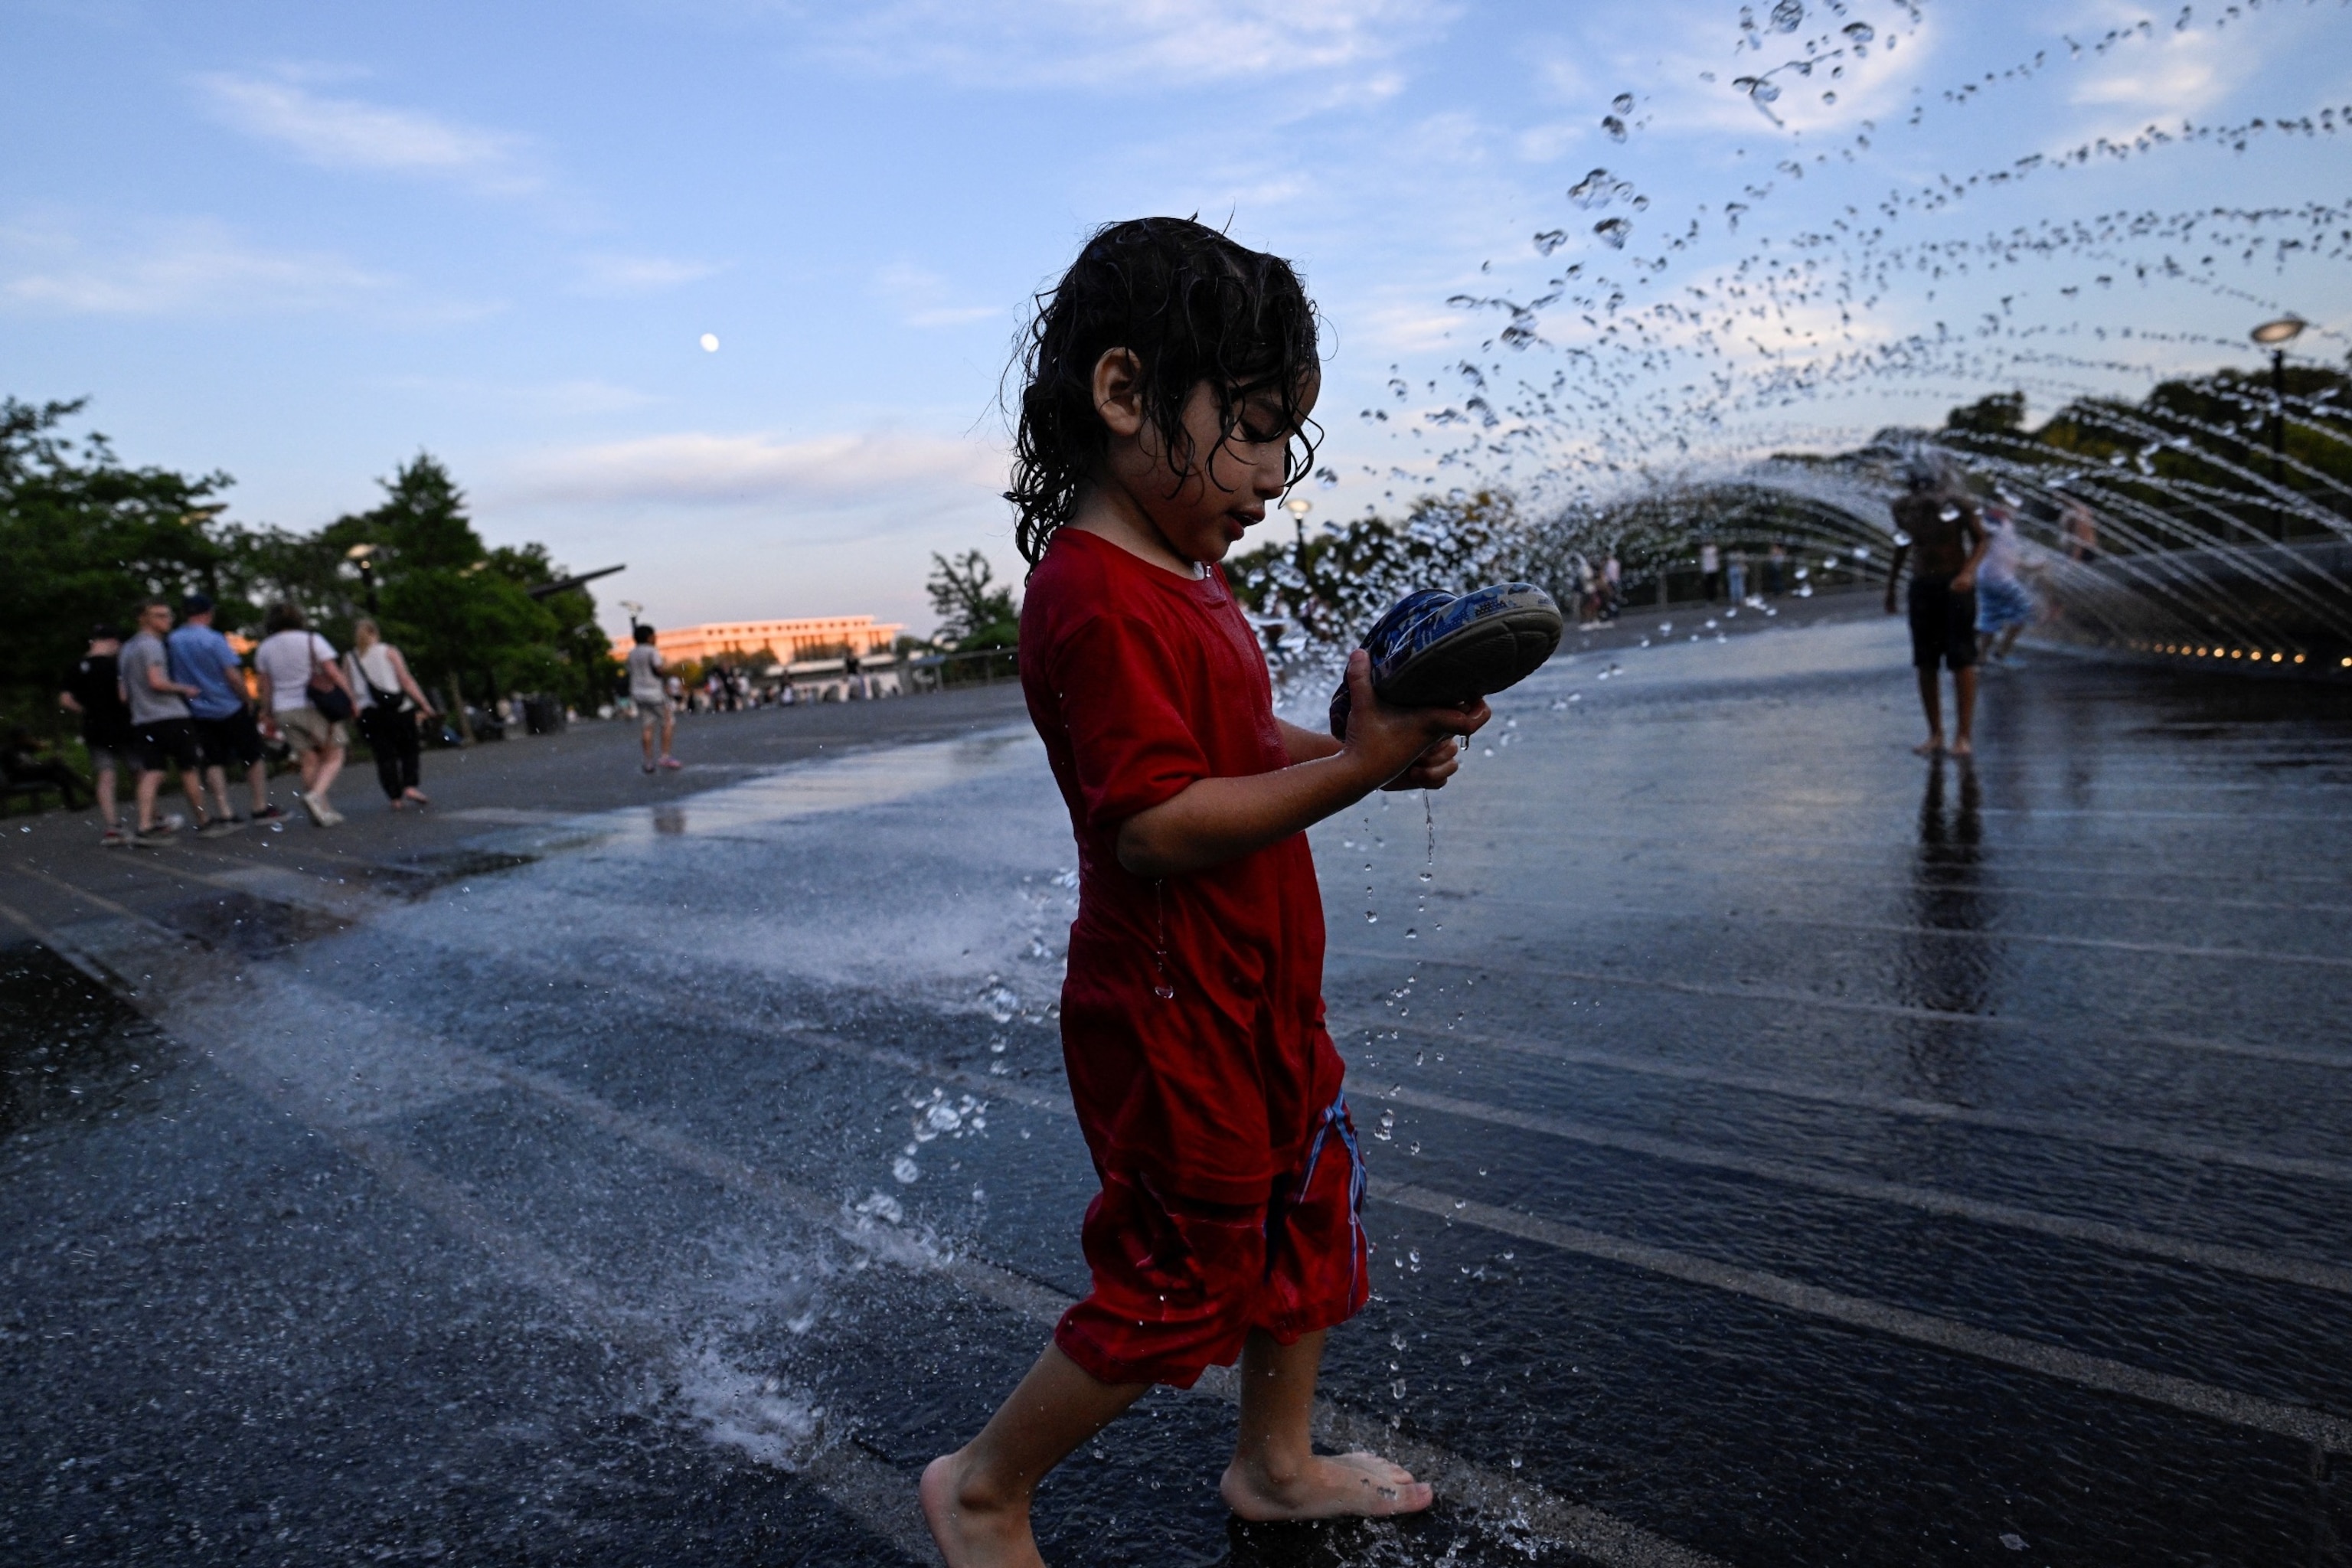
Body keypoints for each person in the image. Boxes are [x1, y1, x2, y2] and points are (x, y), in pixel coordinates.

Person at [921, 217, 1480, 1566]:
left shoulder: (1188, 574)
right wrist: (1356, 767)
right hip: (1170, 1012)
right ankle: (987, 1485)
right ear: (1125, 395)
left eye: (1287, 433)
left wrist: (1367, 758)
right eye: (1249, 426)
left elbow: (1226, 752)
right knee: (1182, 1275)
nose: (1276, 473)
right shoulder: (1094, 595)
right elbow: (1157, 827)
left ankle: (1275, 1463)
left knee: (1305, 1206)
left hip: (1257, 988)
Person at [1884, 461, 1988, 757]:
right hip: (1922, 587)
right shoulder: (1903, 508)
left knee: (1962, 659)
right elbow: (1903, 544)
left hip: (1955, 584)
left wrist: (1968, 573)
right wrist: (1892, 586)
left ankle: (1963, 736)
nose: (1922, 495)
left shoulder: (1959, 504)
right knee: (1926, 662)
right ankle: (1935, 734)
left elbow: (1981, 541)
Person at [119, 598, 222, 843]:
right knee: (188, 769)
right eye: (160, 616)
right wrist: (185, 689)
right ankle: (204, 821)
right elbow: (156, 681)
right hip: (171, 716)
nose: (168, 620)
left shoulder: (127, 649)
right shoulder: (152, 646)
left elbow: (122, 695)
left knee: (152, 772)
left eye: (169, 615)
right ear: (143, 618)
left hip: (142, 719)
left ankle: (144, 826)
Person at [169, 593, 276, 829]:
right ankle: (259, 805)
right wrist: (246, 699)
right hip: (228, 704)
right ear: (208, 613)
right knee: (252, 754)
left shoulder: (174, 641)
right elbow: (231, 674)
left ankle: (224, 810)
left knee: (213, 760)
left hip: (197, 708)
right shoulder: (214, 639)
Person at [252, 603, 357, 825]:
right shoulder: (311, 640)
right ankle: (316, 796)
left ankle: (322, 812)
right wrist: (351, 698)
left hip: (283, 710)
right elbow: (332, 672)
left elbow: (266, 686)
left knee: (309, 759)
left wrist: (266, 712)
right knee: (336, 754)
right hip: (311, 706)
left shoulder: (265, 648)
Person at [345, 618, 439, 808]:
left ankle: (394, 798)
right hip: (398, 709)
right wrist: (425, 704)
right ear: (375, 633)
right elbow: (405, 680)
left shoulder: (349, 658)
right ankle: (410, 785)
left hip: (369, 713)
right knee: (409, 749)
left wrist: (354, 710)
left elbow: (347, 688)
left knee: (384, 755)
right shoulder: (388, 651)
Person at [57, 625, 135, 845]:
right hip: (122, 725)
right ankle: (153, 819)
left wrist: (87, 710)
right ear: (113, 642)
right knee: (140, 772)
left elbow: (65, 700)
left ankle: (113, 827)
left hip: (94, 728)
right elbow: (123, 696)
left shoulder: (76, 666)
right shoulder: (115, 665)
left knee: (106, 776)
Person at [1973, 505, 2035, 665]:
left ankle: (1981, 656)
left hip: (1987, 578)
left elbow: (2007, 554)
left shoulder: (2005, 523)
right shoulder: (1994, 519)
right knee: (2025, 609)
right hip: (1999, 578)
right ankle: (2002, 652)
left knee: (1990, 616)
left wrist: (2029, 566)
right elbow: (1983, 541)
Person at [626, 625, 680, 771]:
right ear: (649, 637)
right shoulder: (652, 651)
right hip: (654, 691)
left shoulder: (632, 653)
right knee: (668, 721)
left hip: (638, 692)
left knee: (647, 726)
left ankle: (648, 761)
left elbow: (630, 671)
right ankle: (665, 756)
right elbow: (658, 668)